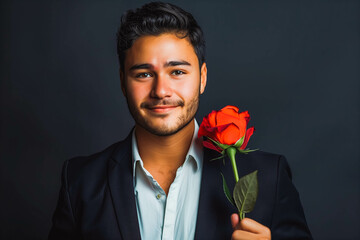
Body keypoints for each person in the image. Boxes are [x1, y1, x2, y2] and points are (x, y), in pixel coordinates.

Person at [49, 2, 312, 239]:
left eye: (177, 71)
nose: (161, 90)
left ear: (203, 77)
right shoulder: (80, 182)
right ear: (122, 82)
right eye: (143, 74)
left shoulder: (269, 177)